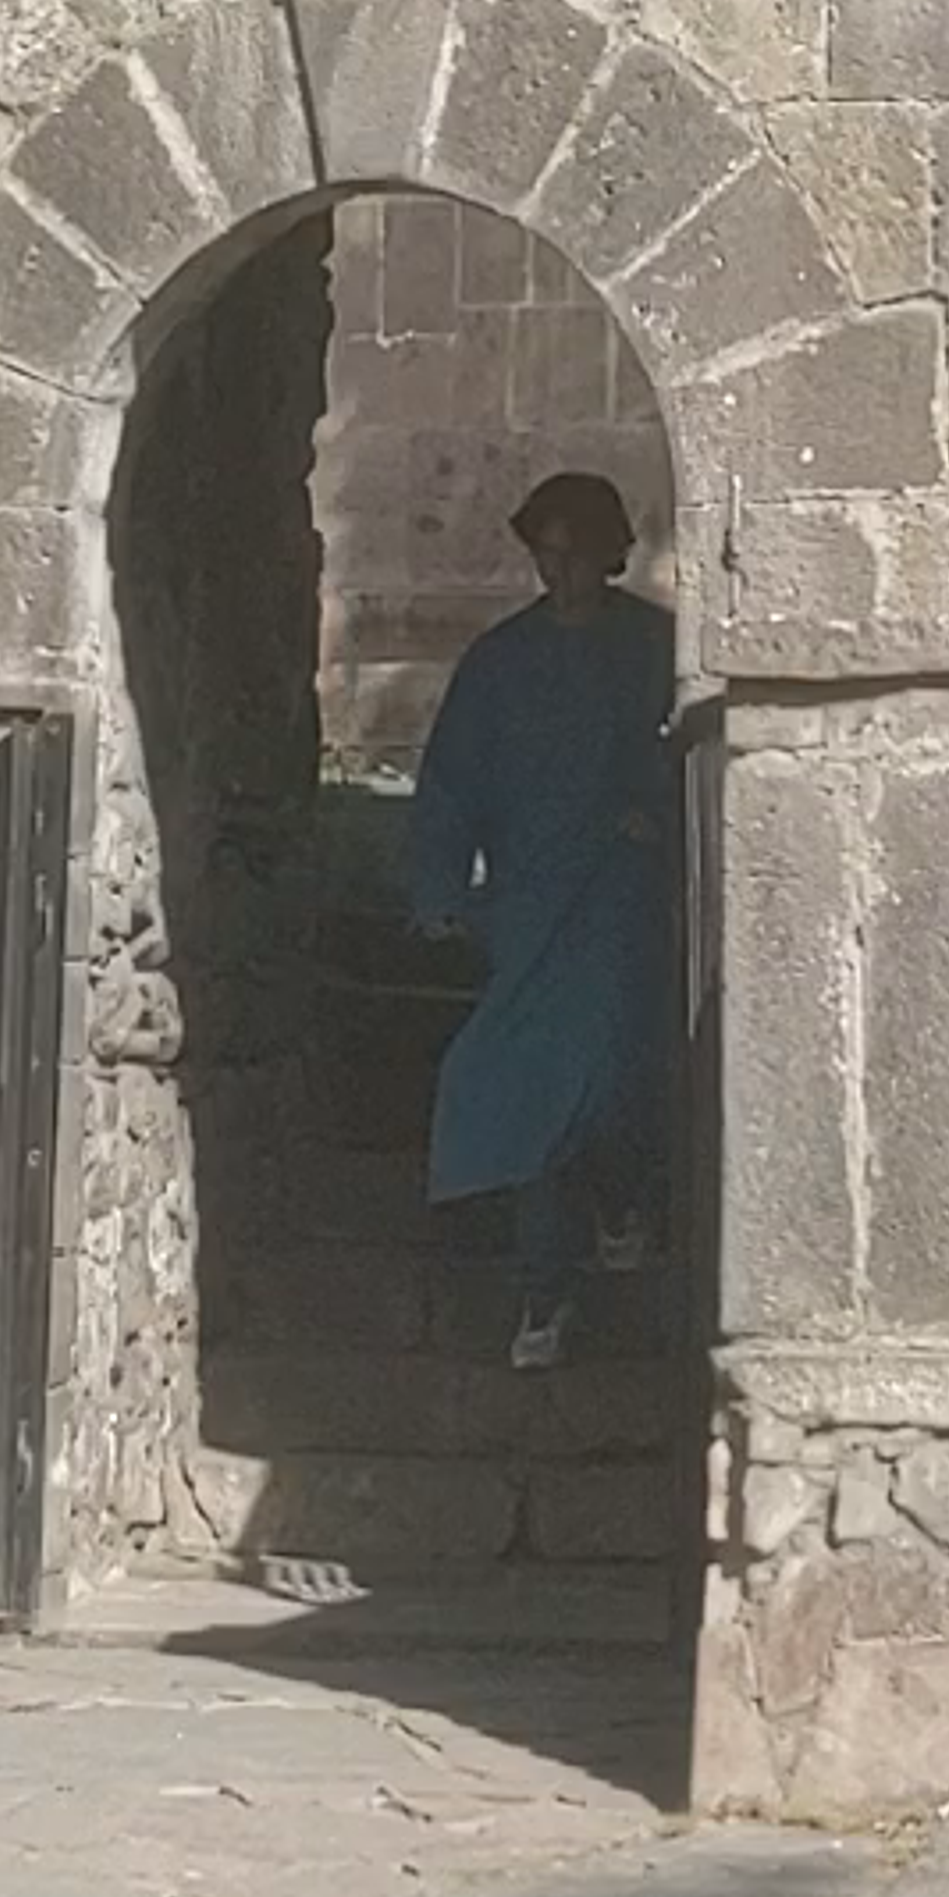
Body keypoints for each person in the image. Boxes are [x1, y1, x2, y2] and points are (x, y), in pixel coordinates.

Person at [404, 471, 678, 1368]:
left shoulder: (655, 648)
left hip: (620, 905)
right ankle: (542, 1289)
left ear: (611, 553)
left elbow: (695, 756)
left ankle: (621, 1204)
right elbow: (451, 783)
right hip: (528, 908)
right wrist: (439, 889)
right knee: (516, 1084)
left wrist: (661, 819)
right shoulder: (500, 662)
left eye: (576, 555)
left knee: (613, 1081)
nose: (558, 574)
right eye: (545, 555)